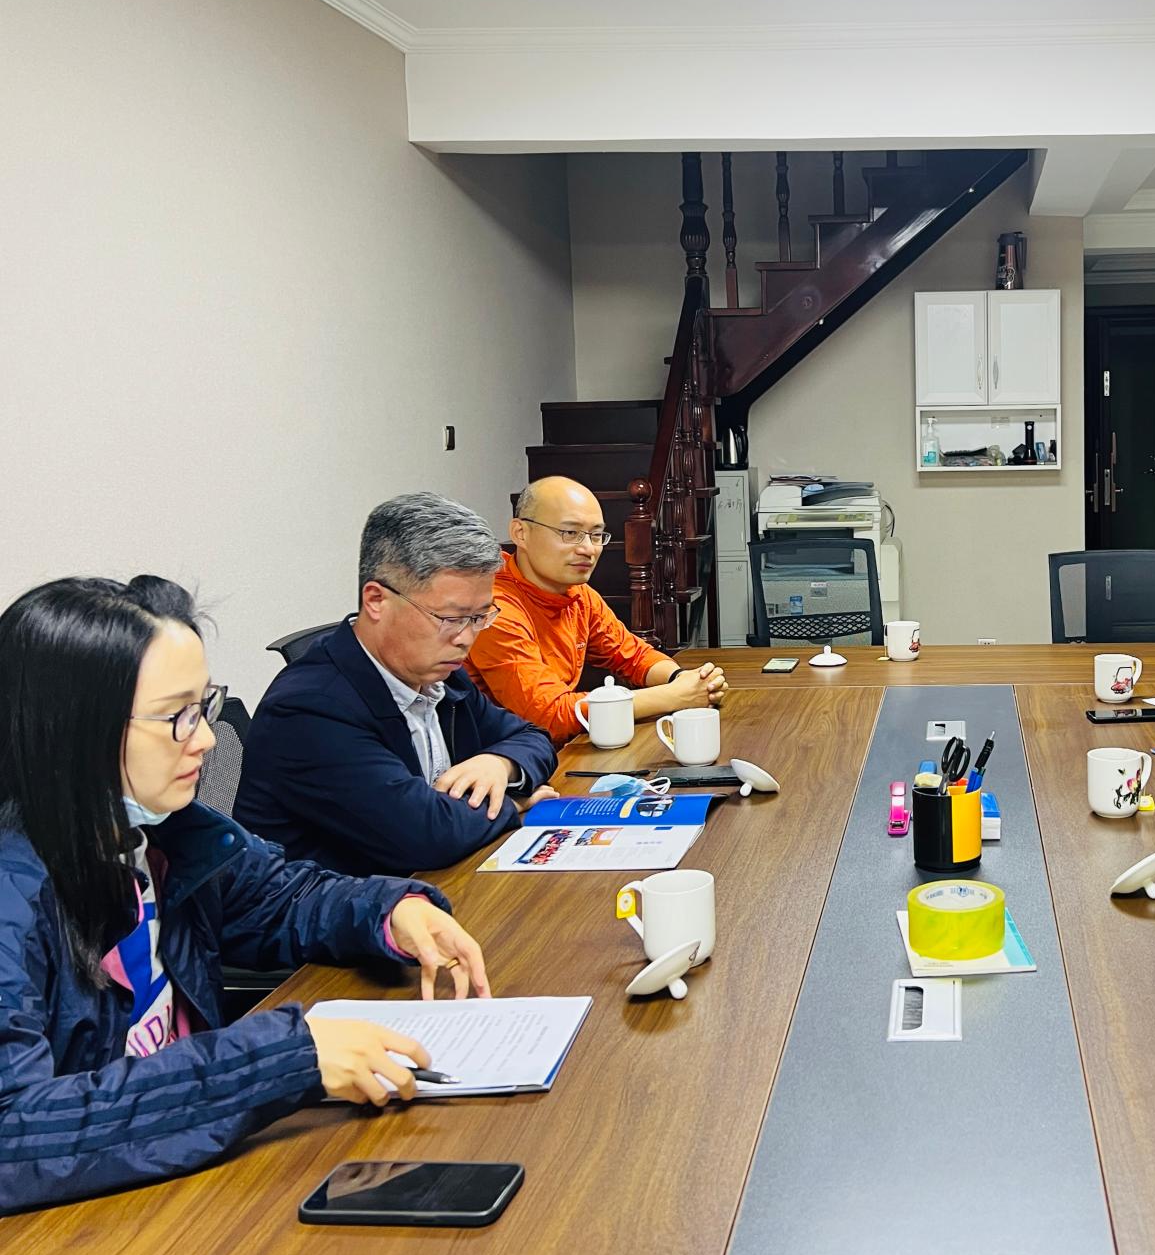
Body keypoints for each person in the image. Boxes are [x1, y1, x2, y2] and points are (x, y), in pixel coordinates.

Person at [0, 576, 492, 1212]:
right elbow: (15, 1132)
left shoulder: (165, 834)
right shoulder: (14, 893)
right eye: (176, 717)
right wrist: (279, 1059)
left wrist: (392, 911)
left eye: (203, 707)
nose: (206, 739)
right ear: (73, 731)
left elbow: (281, 897)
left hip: (187, 1176)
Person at [235, 493, 558, 876]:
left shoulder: (438, 673)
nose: (466, 638)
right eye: (451, 617)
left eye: (479, 617)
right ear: (376, 600)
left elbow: (533, 737)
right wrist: (513, 803)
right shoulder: (309, 708)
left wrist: (500, 764)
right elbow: (425, 836)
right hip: (341, 907)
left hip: (428, 886)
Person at [464, 476, 726, 741]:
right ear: (521, 533)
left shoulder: (578, 594)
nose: (588, 549)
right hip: (504, 754)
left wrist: (683, 679)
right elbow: (550, 715)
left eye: (597, 535)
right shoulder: (492, 608)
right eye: (570, 533)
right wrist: (673, 696)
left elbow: (631, 655)